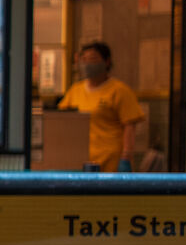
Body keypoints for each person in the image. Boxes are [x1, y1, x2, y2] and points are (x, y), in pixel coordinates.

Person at [59, 39, 147, 170]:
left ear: (107, 62)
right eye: (84, 59)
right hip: (82, 160)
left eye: (93, 59)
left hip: (111, 161)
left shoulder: (119, 91)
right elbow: (61, 119)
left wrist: (126, 157)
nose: (88, 64)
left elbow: (129, 126)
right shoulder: (75, 91)